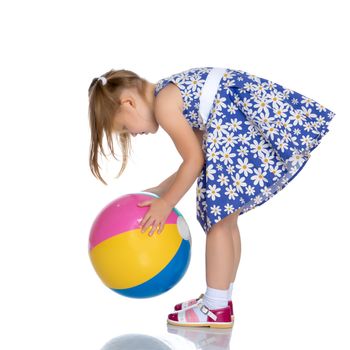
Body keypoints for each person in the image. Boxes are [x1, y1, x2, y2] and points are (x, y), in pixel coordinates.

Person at [87, 67, 336, 328]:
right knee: (225, 220)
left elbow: (193, 161)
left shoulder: (164, 103)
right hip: (239, 128)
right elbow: (199, 158)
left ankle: (215, 308)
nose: (132, 135)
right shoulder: (170, 92)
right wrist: (159, 192)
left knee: (218, 221)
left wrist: (166, 204)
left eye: (125, 128)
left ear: (128, 103)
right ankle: (219, 299)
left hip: (239, 130)